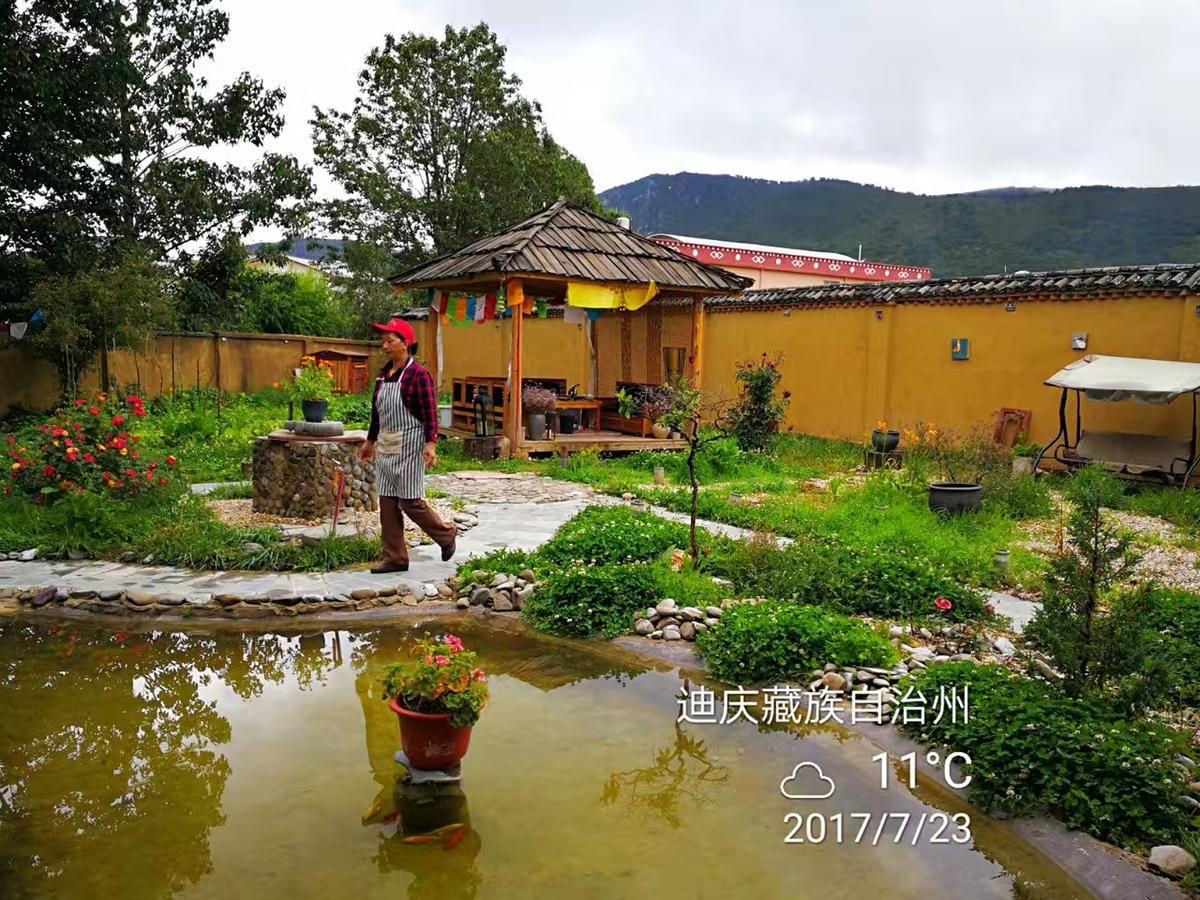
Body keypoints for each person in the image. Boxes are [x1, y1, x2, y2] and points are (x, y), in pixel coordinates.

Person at [361, 318, 457, 573]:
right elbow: (377, 413)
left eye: (389, 340)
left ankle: (446, 535)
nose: (384, 345)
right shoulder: (383, 375)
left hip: (411, 445)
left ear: (406, 343)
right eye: (384, 341)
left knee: (410, 501)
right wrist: (370, 442)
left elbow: (430, 413)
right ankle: (395, 558)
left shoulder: (418, 375)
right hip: (387, 446)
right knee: (388, 503)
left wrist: (431, 444)